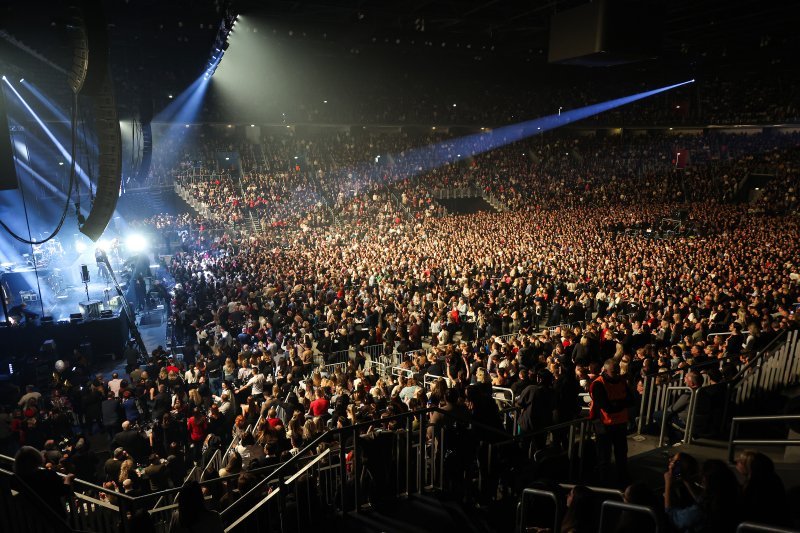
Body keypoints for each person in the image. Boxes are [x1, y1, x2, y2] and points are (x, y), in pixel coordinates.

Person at [588, 359, 633, 485]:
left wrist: (616, 404)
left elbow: (631, 400)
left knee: (621, 454)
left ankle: (623, 479)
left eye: (618, 371)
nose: (618, 374)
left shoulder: (621, 381)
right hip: (604, 425)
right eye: (614, 372)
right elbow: (607, 407)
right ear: (605, 371)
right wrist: (621, 403)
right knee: (604, 457)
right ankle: (605, 483)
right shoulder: (598, 384)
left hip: (619, 423)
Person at [13, 446, 73, 519]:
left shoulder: (16, 479)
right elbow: (65, 490)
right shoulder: (47, 474)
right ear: (37, 459)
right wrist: (68, 478)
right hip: (54, 517)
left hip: (32, 519)